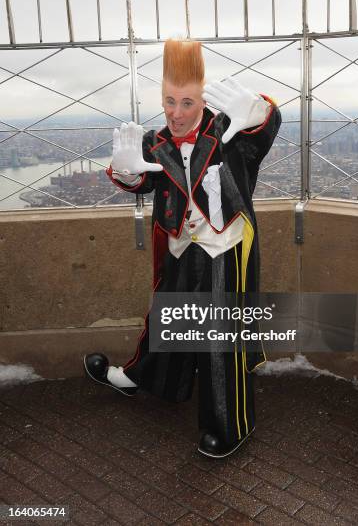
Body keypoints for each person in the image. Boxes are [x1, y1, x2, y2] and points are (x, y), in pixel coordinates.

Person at [84, 39, 281, 458]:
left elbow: (266, 127)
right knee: (168, 317)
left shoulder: (233, 131)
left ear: (203, 98)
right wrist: (129, 175)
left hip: (222, 246)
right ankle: (149, 377)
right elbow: (141, 179)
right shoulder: (156, 141)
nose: (175, 113)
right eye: (169, 101)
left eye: (187, 102)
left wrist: (261, 108)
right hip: (179, 245)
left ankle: (230, 426)